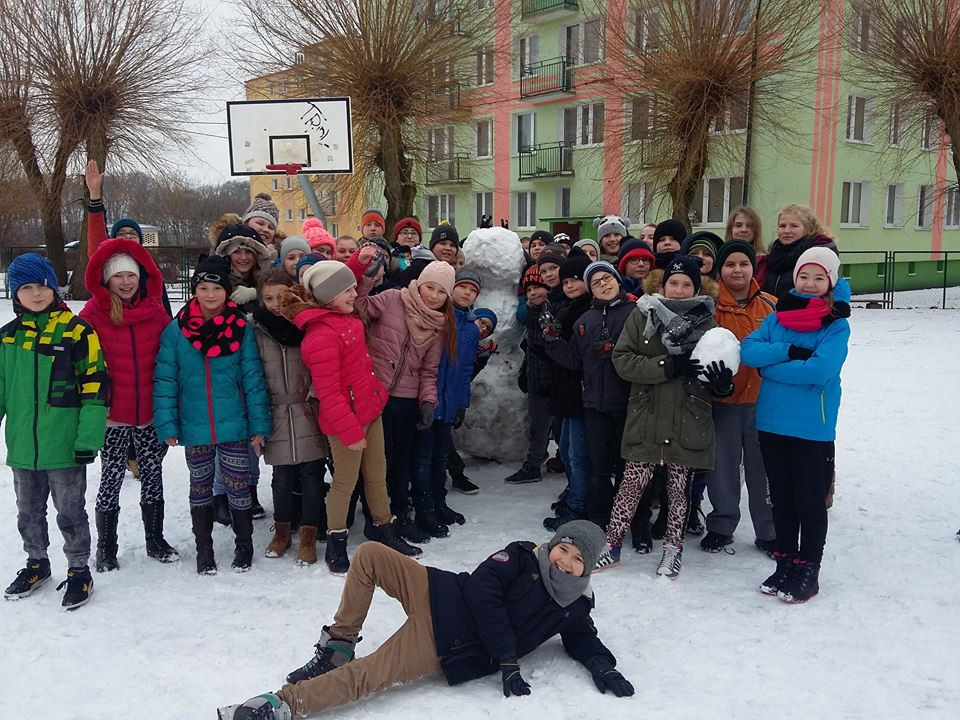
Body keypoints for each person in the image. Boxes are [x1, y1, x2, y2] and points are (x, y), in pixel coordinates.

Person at [217, 521, 634, 720]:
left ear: (588, 570)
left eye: (578, 559)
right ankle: (338, 645)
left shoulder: (575, 605)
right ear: (553, 544)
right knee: (369, 555)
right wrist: (508, 657)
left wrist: (603, 665)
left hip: (443, 641)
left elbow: (583, 639)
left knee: (368, 675)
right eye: (564, 549)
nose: (566, 561)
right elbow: (481, 592)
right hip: (439, 590)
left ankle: (283, 705)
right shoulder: (523, 554)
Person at [596, 255, 733, 579]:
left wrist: (722, 383)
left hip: (687, 417)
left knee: (678, 489)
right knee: (630, 485)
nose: (680, 289)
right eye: (674, 282)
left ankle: (673, 549)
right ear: (663, 284)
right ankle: (610, 545)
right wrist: (666, 366)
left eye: (687, 284)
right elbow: (623, 360)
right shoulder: (642, 314)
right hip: (648, 414)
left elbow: (722, 369)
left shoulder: (708, 325)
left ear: (696, 288)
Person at [281, 260, 422, 573]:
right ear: (329, 296)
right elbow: (329, 394)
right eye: (346, 290)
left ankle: (384, 528)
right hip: (345, 423)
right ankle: (336, 541)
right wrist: (351, 432)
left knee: (376, 475)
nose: (354, 293)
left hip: (370, 412)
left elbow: (361, 368)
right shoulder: (320, 336)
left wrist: (377, 398)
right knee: (344, 482)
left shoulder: (349, 320)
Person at [741, 247, 851, 603]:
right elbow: (749, 352)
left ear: (831, 281)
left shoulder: (835, 323)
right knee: (781, 499)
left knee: (809, 503)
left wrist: (770, 370)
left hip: (811, 428)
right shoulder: (778, 316)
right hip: (772, 422)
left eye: (819, 277)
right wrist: (787, 353)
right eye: (805, 275)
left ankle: (809, 569)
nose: (810, 282)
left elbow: (820, 370)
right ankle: (785, 562)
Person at [153, 256, 272, 575]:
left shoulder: (241, 329)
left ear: (226, 291)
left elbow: (253, 378)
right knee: (200, 487)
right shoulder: (176, 331)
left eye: (216, 288)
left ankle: (243, 545)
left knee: (238, 485)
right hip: (195, 427)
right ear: (194, 291)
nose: (209, 294)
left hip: (235, 425)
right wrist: (167, 423)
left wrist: (259, 424)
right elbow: (165, 380)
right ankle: (204, 549)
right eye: (202, 288)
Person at [1, 254, 108, 609]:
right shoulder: (8, 338)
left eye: (41, 286)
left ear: (53, 287)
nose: (35, 294)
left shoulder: (77, 331)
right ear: (14, 293)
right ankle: (37, 562)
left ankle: (79, 569)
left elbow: (96, 386)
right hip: (23, 445)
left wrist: (88, 437)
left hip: (63, 445)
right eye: (26, 288)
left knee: (70, 511)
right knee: (28, 511)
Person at [79, 238, 178, 573]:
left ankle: (155, 539)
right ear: (107, 280)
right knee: (110, 479)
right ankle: (106, 547)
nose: (125, 282)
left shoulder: (155, 313)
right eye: (117, 276)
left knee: (153, 476)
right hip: (113, 415)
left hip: (150, 413)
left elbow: (174, 354)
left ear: (140, 277)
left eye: (130, 275)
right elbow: (80, 359)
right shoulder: (93, 314)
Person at [347, 247, 455, 545]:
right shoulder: (394, 298)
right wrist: (365, 280)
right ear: (419, 284)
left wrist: (428, 402)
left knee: (401, 464)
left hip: (406, 401)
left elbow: (429, 370)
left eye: (440, 292)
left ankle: (398, 516)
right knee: (376, 462)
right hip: (373, 392)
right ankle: (375, 520)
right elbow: (357, 306)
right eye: (429, 287)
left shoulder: (440, 325)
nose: (433, 296)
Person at [543, 261, 635, 533]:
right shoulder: (585, 321)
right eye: (596, 282)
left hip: (629, 404)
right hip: (595, 404)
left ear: (618, 280)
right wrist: (553, 341)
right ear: (591, 290)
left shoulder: (635, 313)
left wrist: (616, 349)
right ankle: (598, 518)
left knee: (627, 467)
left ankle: (629, 520)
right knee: (597, 467)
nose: (603, 284)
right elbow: (574, 360)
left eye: (607, 278)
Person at [700, 241, 777, 555]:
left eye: (743, 264)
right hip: (724, 404)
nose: (737, 270)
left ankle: (769, 530)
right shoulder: (710, 307)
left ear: (752, 268)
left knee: (763, 469)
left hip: (763, 403)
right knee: (722, 468)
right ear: (721, 270)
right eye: (730, 264)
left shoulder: (771, 305)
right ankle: (721, 524)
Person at [254, 269, 330, 566]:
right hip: (274, 410)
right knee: (282, 477)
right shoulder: (256, 329)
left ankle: (309, 534)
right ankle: (282, 531)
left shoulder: (309, 323)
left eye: (281, 296)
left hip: (308, 407)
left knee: (313, 475)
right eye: (268, 298)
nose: (275, 303)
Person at [414, 268, 481, 536]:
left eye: (473, 290)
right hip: (427, 402)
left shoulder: (472, 329)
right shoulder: (437, 319)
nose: (467, 293)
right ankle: (424, 507)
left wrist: (461, 404)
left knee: (440, 457)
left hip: (449, 402)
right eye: (463, 287)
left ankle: (439, 502)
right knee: (423, 459)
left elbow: (465, 370)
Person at [504, 246, 566, 484]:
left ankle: (562, 462)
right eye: (528, 289)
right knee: (537, 428)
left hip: (558, 382)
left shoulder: (556, 310)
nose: (532, 293)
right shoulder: (531, 313)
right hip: (537, 381)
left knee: (561, 430)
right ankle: (533, 465)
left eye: (537, 286)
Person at [541, 255, 593, 528]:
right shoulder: (569, 308)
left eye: (576, 280)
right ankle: (575, 496)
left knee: (577, 455)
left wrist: (553, 341)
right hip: (566, 393)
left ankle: (578, 507)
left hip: (580, 395)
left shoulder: (587, 310)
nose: (571, 285)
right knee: (569, 450)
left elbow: (574, 358)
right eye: (568, 281)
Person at [447, 307, 498, 495]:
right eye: (482, 322)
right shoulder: (454, 336)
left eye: (488, 328)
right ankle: (456, 475)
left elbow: (464, 377)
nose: (484, 329)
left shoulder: (474, 348)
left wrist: (481, 361)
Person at [758, 204, 837, 298]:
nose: (787, 231)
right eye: (782, 226)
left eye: (794, 226)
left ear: (808, 229)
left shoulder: (817, 256)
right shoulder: (774, 255)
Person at [214, 224, 277, 314]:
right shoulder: (218, 280)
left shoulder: (268, 277)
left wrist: (256, 292)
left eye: (248, 252)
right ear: (227, 256)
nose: (243, 257)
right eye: (236, 252)